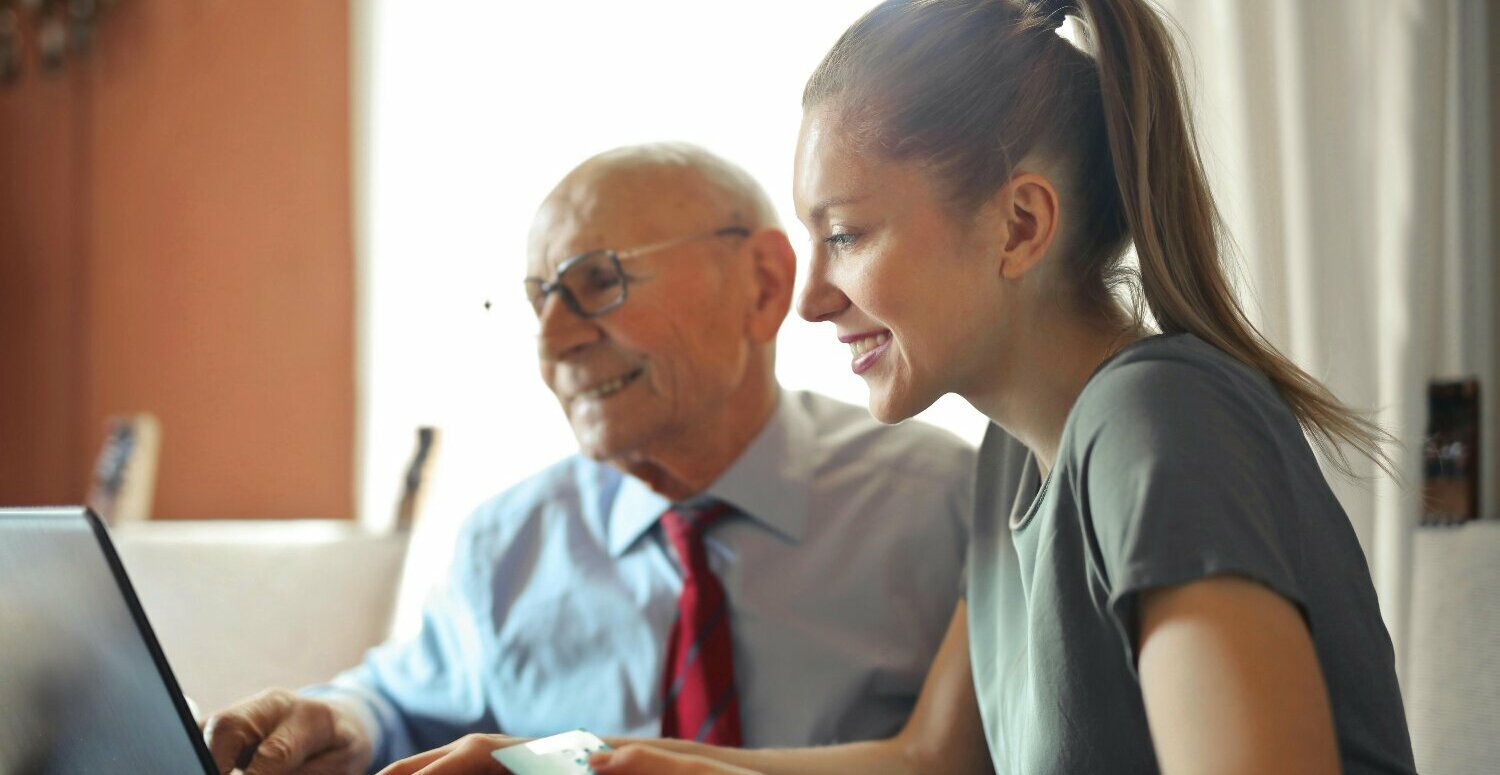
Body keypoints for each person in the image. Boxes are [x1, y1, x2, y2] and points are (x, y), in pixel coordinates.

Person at [378, 0, 1418, 773]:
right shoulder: (1020, 456)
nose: (814, 297)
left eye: (847, 233)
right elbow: (927, 760)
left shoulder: (1154, 425)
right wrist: (588, 759)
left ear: (1019, 225)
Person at [199, 143, 976, 775]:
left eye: (598, 281)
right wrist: (340, 721)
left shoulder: (948, 504)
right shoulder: (508, 541)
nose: (552, 341)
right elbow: (400, 703)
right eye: (540, 299)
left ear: (765, 285)